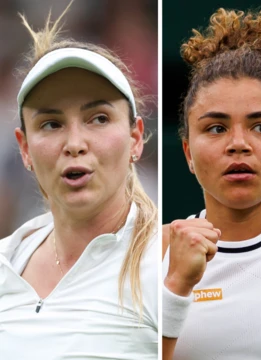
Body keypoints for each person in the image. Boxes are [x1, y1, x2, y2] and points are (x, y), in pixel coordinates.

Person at [0, 3, 158, 359]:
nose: (74, 144)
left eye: (98, 118)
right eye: (51, 124)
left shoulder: (170, 264)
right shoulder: (6, 262)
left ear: (135, 137)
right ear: (24, 149)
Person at [161, 6, 261, 360]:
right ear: (188, 151)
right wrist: (175, 287)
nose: (238, 143)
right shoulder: (150, 255)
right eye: (216, 128)